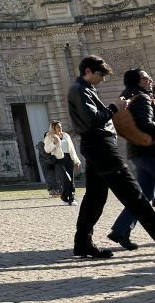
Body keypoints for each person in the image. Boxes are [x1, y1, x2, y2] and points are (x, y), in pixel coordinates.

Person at [67, 55, 155, 258]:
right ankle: (83, 242)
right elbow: (92, 121)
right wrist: (115, 108)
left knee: (95, 199)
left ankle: (82, 243)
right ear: (88, 71)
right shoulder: (79, 90)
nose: (102, 79)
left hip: (97, 146)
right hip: (101, 147)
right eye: (100, 75)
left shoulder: (85, 89)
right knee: (134, 195)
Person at [108, 68, 155, 250]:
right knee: (143, 196)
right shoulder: (142, 98)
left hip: (139, 151)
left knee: (143, 196)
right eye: (145, 78)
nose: (149, 80)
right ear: (137, 81)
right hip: (150, 150)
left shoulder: (127, 97)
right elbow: (145, 123)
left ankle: (121, 230)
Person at [43, 120, 81, 205]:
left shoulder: (66, 135)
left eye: (61, 126)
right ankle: (64, 196)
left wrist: (76, 160)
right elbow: (47, 149)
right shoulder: (49, 136)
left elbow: (72, 149)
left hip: (68, 158)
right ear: (53, 128)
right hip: (58, 160)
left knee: (71, 180)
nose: (60, 128)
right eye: (58, 127)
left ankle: (71, 198)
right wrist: (54, 142)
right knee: (66, 179)